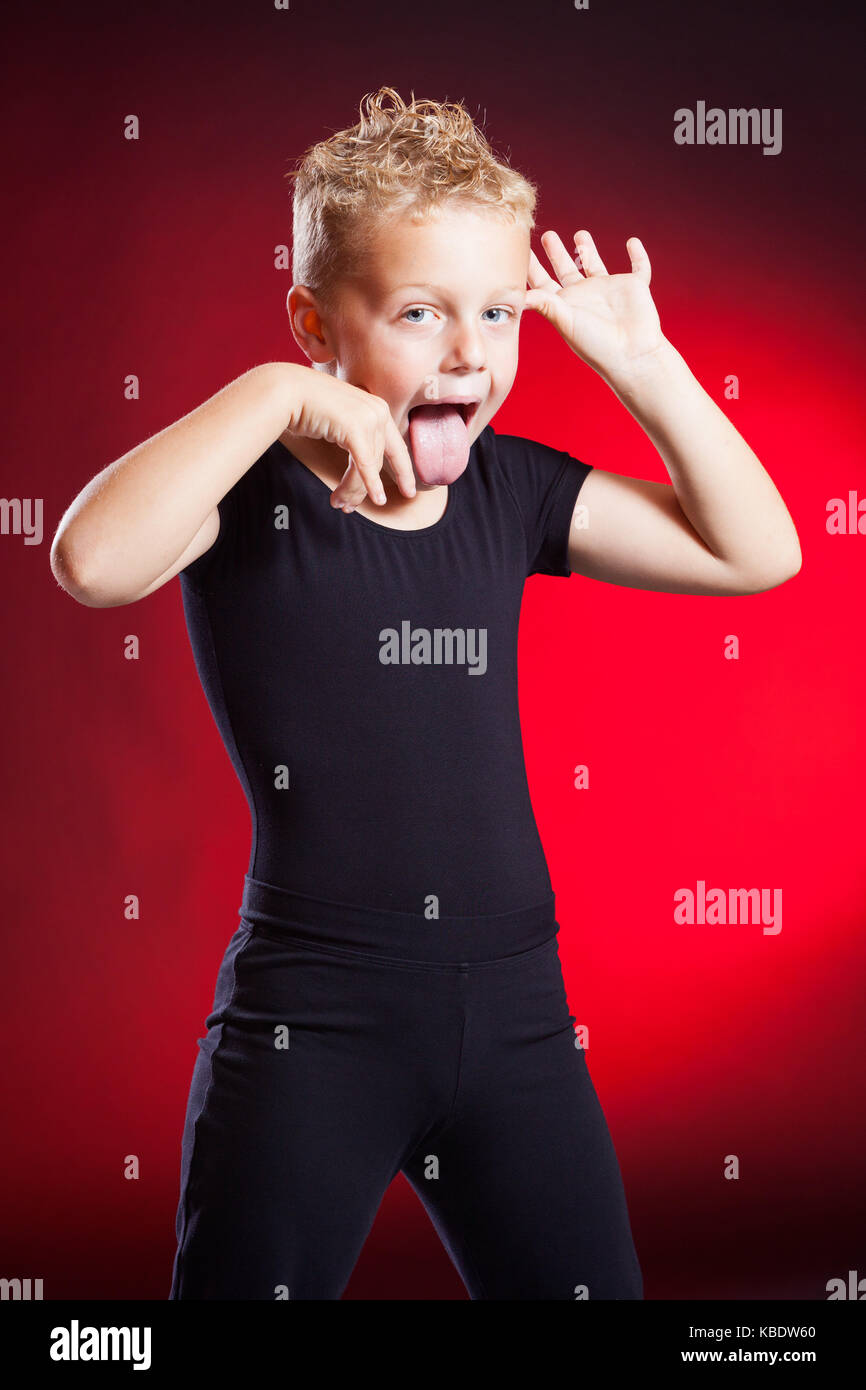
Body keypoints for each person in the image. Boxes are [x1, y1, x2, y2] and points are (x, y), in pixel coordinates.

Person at [50, 87, 801, 1301]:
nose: (469, 351)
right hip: (314, 1019)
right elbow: (88, 559)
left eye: (496, 313)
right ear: (314, 321)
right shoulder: (241, 496)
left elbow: (756, 552)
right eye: (418, 312)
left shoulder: (512, 493)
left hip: (515, 1016)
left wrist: (646, 366)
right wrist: (271, 397)